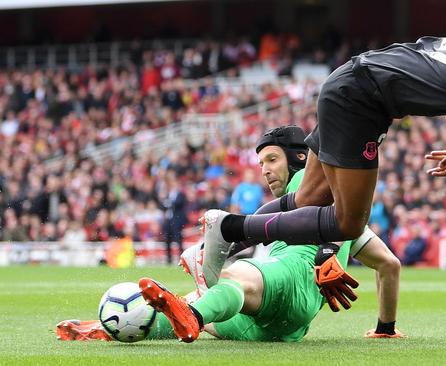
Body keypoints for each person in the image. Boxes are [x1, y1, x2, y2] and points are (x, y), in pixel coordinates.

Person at [198, 36, 446, 291]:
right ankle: (228, 227)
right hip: (363, 101)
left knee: (309, 196)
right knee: (348, 222)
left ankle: (222, 245)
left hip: (350, 79)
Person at [57, 126, 401, 342]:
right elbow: (389, 266)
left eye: (272, 159)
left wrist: (327, 251)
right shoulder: (347, 220)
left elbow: (322, 200)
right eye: (261, 163)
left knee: (234, 278)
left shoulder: (304, 185)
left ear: (299, 158)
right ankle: (122, 327)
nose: (265, 170)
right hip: (285, 329)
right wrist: (386, 327)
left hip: (291, 278)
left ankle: (190, 309)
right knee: (202, 303)